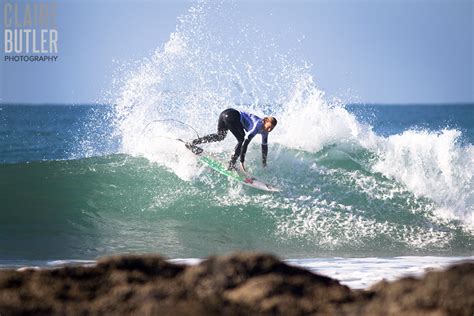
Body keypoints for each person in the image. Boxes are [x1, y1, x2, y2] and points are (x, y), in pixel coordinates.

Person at [186, 108, 277, 171]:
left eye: (271, 129)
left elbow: (264, 147)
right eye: (268, 127)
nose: (269, 130)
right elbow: (245, 143)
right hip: (232, 116)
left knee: (220, 136)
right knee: (241, 140)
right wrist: (241, 161)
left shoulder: (265, 132)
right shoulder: (258, 125)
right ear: (265, 121)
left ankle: (193, 142)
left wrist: (264, 162)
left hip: (225, 113)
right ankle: (232, 164)